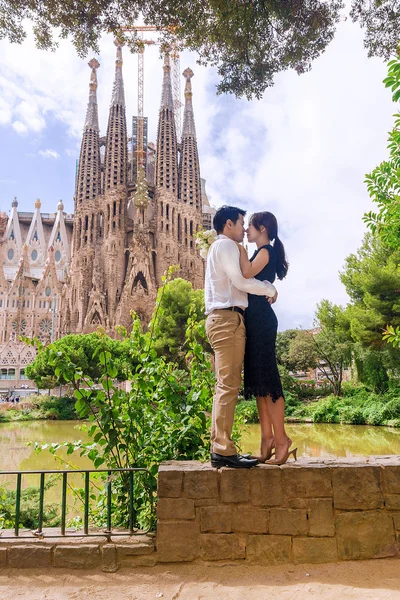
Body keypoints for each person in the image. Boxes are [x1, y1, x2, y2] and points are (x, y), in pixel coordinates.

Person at [205, 205, 278, 469]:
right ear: (228, 225)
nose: (244, 228)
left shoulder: (225, 248)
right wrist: (268, 288)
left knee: (227, 384)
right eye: (241, 223)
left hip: (227, 319)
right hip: (227, 319)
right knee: (227, 385)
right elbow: (239, 280)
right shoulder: (224, 246)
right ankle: (222, 449)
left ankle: (222, 447)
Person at [238, 211, 297, 465]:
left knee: (269, 380)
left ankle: (282, 440)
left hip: (261, 320)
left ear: (262, 228)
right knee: (259, 384)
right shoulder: (261, 251)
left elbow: (247, 273)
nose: (246, 231)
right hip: (255, 320)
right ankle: (267, 440)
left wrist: (236, 248)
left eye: (249, 226)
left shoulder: (266, 251)